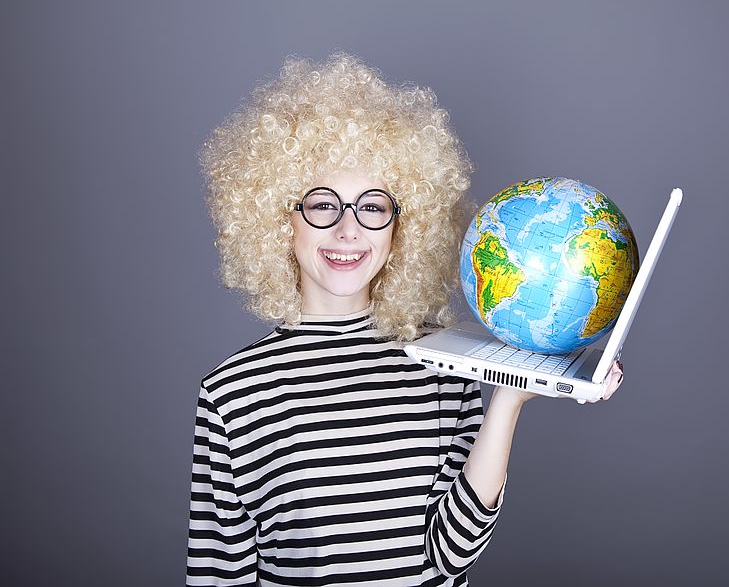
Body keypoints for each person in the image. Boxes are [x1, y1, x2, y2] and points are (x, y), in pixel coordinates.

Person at [187, 52, 623, 587]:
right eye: (324, 205)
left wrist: (509, 398)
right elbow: (218, 575)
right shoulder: (233, 393)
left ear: (400, 229)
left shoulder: (443, 364)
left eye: (372, 207)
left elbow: (451, 555)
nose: (349, 230)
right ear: (282, 221)